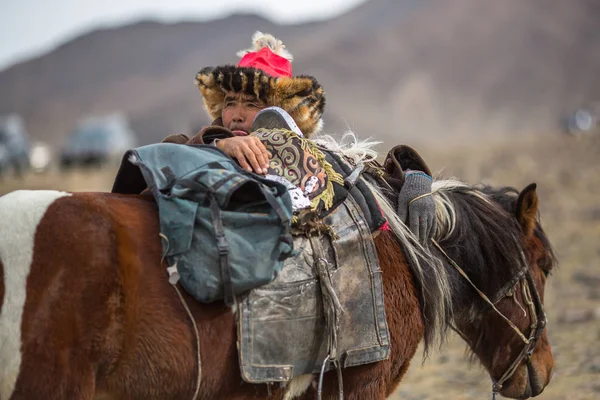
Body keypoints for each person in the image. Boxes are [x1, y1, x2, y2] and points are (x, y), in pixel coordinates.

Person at [161, 31, 436, 242]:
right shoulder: (203, 143)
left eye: (252, 104)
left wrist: (415, 176)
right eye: (231, 102)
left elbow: (367, 174)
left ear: (282, 114)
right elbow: (163, 157)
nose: (236, 115)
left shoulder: (310, 160)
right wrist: (218, 144)